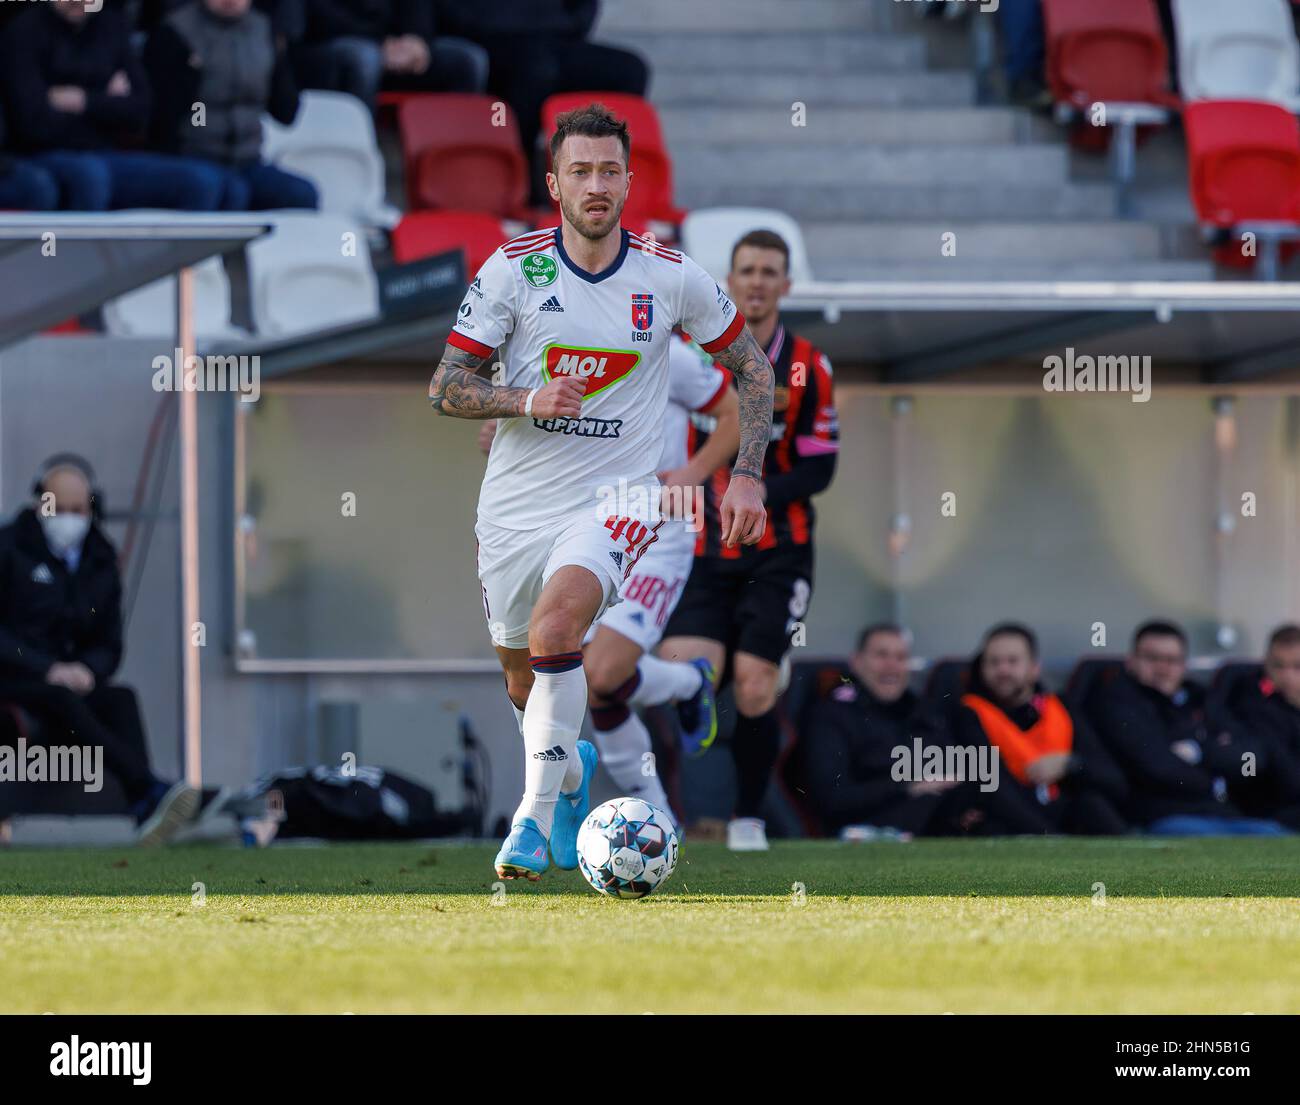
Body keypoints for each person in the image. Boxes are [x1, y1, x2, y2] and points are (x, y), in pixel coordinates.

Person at [427, 102, 773, 881]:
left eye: (609, 171)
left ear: (628, 180)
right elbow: (445, 386)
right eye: (579, 171)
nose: (596, 185)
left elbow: (752, 370)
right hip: (515, 505)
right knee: (524, 679)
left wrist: (744, 473)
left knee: (560, 628)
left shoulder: (671, 277)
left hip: (620, 497)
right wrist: (522, 400)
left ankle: (531, 819)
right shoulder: (513, 270)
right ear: (552, 183)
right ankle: (572, 766)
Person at [478, 333, 740, 828]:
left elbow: (735, 414)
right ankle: (660, 817)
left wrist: (694, 471)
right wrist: (504, 438)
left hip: (655, 524)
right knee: (584, 680)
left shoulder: (668, 352)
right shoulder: (550, 348)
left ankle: (686, 683)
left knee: (599, 674)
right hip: (580, 525)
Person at [659, 229, 838, 852]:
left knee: (755, 684)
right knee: (684, 675)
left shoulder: (810, 366)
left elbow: (822, 466)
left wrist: (755, 486)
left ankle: (746, 820)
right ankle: (669, 812)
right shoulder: (683, 355)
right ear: (728, 282)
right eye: (747, 270)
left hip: (777, 553)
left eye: (770, 271)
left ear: (786, 285)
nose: (757, 281)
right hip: (698, 552)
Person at [0, 456, 199, 844]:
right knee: (59, 697)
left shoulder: (100, 558)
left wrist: (89, 670)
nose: (69, 518)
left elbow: (109, 642)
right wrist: (46, 667)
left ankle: (144, 811)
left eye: (78, 509)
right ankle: (147, 787)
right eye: (59, 508)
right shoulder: (8, 549)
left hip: (71, 681)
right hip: (16, 679)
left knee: (120, 699)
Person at [801, 624, 1051, 837]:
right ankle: (1050, 837)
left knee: (985, 776)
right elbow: (832, 799)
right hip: (873, 823)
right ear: (857, 662)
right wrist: (909, 786)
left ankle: (1048, 838)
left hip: (940, 815)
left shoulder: (925, 712)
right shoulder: (832, 715)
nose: (892, 666)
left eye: (900, 658)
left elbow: (958, 771)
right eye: (881, 655)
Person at [0, 0, 227, 212]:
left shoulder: (111, 27)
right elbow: (33, 123)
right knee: (87, 177)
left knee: (201, 181)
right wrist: (107, 99)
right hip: (47, 155)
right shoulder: (24, 31)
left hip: (106, 152)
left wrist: (84, 100)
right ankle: (71, 255)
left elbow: (140, 111)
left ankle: (165, 256)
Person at [436, 0, 649, 207]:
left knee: (630, 71)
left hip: (555, 37)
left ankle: (601, 174)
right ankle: (521, 177)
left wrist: (562, 24)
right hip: (490, 39)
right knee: (536, 71)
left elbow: (583, 9)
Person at [1085, 620, 1287, 835]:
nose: (1163, 668)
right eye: (1152, 658)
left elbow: (1252, 756)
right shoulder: (1118, 702)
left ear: (1184, 665)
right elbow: (1155, 766)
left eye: (1172, 660)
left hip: (1227, 814)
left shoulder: (1201, 699)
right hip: (1163, 817)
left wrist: (1198, 751)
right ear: (1131, 661)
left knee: (1277, 838)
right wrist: (1215, 779)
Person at [953, 623, 1129, 834]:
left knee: (1092, 804)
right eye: (993, 662)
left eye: (1013, 661)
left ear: (1035, 668)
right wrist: (1051, 838)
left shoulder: (1061, 708)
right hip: (1016, 822)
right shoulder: (971, 712)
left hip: (1064, 813)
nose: (1003, 670)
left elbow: (1113, 779)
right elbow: (993, 787)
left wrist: (1069, 764)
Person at [144, 0, 319, 211]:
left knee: (300, 193)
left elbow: (286, 112)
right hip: (192, 158)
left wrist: (279, 60)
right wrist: (189, 75)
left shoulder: (265, 30)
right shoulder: (175, 31)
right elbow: (162, 117)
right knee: (226, 190)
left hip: (248, 160)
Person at [293, 0, 487, 109]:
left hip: (393, 45)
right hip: (327, 44)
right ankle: (360, 153)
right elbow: (316, 15)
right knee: (366, 59)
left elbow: (417, 7)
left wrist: (416, 40)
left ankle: (450, 156)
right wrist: (380, 44)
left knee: (469, 60)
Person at [1212, 624, 1300, 830]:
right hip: (1271, 810)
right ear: (1266, 665)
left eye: (1297, 667)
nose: (1287, 676)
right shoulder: (1254, 704)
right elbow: (1287, 777)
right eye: (1278, 666)